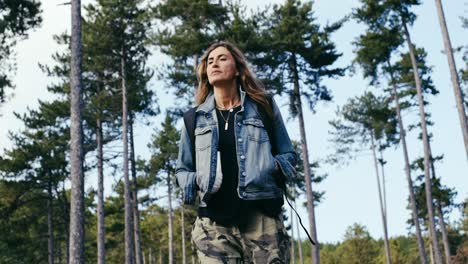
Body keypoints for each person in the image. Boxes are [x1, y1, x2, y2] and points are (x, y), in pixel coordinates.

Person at [176, 41, 298, 264]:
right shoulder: (193, 118)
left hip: (262, 215)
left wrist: (271, 166)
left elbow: (288, 154)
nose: (214, 64)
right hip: (213, 222)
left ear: (238, 69)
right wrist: (196, 181)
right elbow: (183, 168)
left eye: (222, 59)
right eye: (210, 61)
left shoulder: (263, 106)